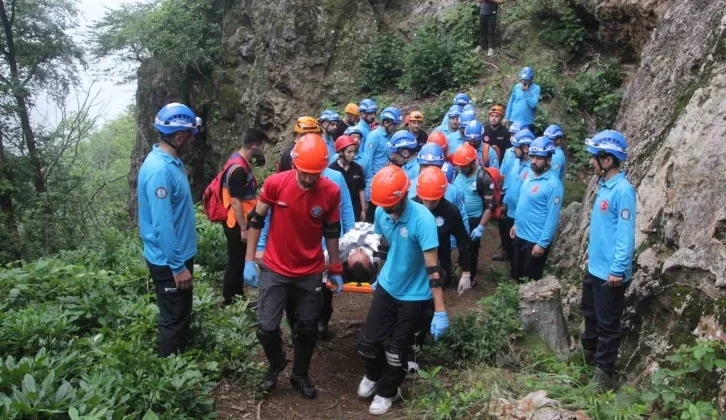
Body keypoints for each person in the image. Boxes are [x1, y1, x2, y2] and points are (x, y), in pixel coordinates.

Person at [243, 133, 344, 399]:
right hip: (276, 267)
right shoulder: (276, 184)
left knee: (307, 327)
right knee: (266, 327)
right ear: (295, 164)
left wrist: (335, 266)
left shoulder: (331, 191)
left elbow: (332, 230)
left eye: (315, 173)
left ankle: (300, 373)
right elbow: (256, 219)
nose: (309, 179)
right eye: (305, 173)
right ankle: (277, 364)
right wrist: (249, 260)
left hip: (310, 269)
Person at [356, 166, 448, 416]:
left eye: (390, 206)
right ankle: (374, 376)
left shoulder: (423, 220)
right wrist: (379, 273)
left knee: (396, 352)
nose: (387, 211)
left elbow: (433, 269)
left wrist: (440, 310)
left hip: (415, 296)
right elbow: (384, 243)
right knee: (367, 343)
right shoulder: (381, 211)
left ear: (403, 196)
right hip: (388, 286)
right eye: (383, 206)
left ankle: (388, 392)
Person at [137, 103, 202, 357]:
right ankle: (170, 375)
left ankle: (182, 364)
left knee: (181, 314)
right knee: (173, 319)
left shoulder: (172, 162)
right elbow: (162, 225)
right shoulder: (159, 171)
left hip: (179, 256)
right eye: (190, 136)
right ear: (179, 137)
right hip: (169, 262)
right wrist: (177, 267)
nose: (193, 140)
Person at [582, 130, 636, 392]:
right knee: (590, 314)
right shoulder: (603, 185)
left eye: (595, 157)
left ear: (608, 160)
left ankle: (605, 373)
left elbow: (625, 234)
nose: (591, 162)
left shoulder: (623, 191)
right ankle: (587, 355)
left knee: (608, 324)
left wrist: (617, 269)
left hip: (610, 274)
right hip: (594, 267)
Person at [219, 128, 269, 306]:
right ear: (254, 146)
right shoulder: (238, 168)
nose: (263, 150)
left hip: (241, 219)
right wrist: (243, 228)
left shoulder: (239, 160)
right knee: (236, 260)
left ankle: (237, 295)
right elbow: (235, 202)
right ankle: (229, 298)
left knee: (238, 259)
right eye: (261, 146)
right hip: (236, 221)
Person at [510, 137, 564, 281]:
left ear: (548, 160)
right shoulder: (530, 175)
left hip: (534, 241)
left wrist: (542, 243)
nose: (533, 161)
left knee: (529, 281)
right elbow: (524, 201)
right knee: (516, 275)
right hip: (520, 234)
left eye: (539, 158)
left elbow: (552, 217)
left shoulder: (554, 185)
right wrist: (516, 223)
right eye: (532, 156)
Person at [414, 166, 472, 291]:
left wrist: (466, 273)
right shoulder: (411, 208)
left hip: (440, 263)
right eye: (426, 200)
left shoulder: (450, 212)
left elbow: (463, 242)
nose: (429, 205)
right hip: (415, 263)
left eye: (433, 201)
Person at [452, 143, 496, 287]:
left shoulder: (483, 177)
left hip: (474, 219)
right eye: (459, 165)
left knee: (472, 248)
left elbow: (490, 205)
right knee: (461, 244)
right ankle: (461, 264)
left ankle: (471, 276)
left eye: (463, 166)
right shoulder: (458, 172)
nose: (460, 168)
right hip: (459, 216)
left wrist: (481, 227)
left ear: (472, 163)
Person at [408, 143, 469, 234]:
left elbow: (462, 219)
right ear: (419, 166)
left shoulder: (453, 191)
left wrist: (451, 244)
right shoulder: (409, 188)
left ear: (441, 167)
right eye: (425, 165)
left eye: (435, 166)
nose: (429, 169)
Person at [501, 129, 534, 271]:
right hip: (510, 211)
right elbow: (510, 183)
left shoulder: (532, 169)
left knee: (518, 249)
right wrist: (505, 203)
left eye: (516, 147)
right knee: (509, 243)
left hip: (521, 217)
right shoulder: (516, 161)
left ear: (525, 148)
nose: (513, 150)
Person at [364, 106, 403, 222]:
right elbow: (367, 163)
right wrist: (367, 194)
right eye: (394, 125)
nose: (395, 128)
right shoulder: (374, 136)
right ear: (386, 122)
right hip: (375, 184)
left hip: (387, 182)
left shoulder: (390, 137)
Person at [330, 135, 367, 222]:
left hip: (355, 208)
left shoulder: (357, 168)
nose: (352, 155)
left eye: (354, 151)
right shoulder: (332, 169)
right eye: (349, 152)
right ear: (341, 152)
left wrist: (363, 209)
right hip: (338, 209)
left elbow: (361, 189)